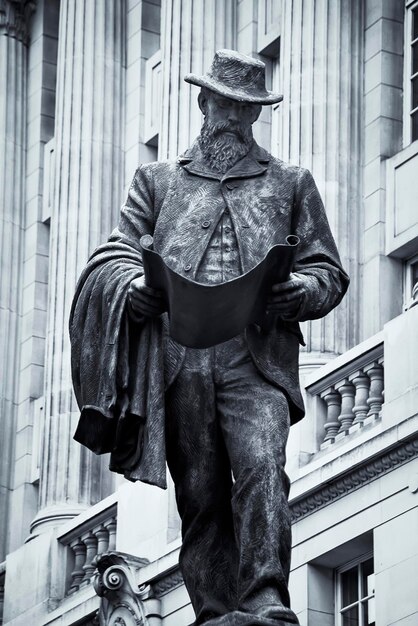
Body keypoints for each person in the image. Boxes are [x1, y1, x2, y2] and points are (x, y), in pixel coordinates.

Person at [70, 50, 349, 626]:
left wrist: (301, 290)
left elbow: (328, 272)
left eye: (245, 108)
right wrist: (133, 290)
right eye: (224, 103)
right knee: (199, 495)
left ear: (256, 116)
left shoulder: (290, 183)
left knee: (262, 467)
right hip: (182, 358)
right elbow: (115, 256)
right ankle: (215, 611)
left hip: (256, 358)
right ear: (204, 102)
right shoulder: (159, 181)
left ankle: (265, 600)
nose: (232, 117)